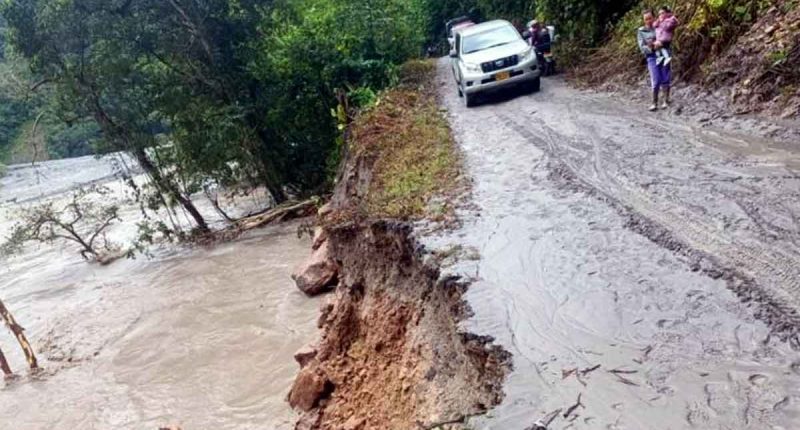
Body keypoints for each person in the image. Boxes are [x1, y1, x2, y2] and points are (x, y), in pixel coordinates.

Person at [638, 9, 672, 111]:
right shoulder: (641, 31)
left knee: (665, 77)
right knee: (656, 79)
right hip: (652, 57)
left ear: (654, 17)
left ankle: (666, 100)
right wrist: (652, 47)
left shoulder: (661, 25)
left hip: (664, 53)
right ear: (644, 20)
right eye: (646, 19)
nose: (648, 21)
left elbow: (669, 37)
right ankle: (654, 102)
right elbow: (642, 47)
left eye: (650, 18)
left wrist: (662, 43)